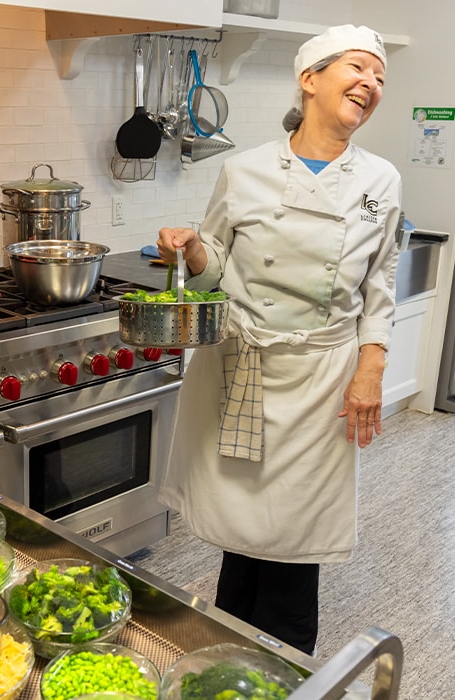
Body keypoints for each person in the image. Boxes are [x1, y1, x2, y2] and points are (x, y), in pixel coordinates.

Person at [155, 24, 402, 655]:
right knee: (243, 524)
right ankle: (225, 652)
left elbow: (380, 282)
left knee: (295, 530)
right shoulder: (244, 170)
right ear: (310, 79)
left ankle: (285, 664)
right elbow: (214, 270)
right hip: (245, 362)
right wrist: (191, 249)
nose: (371, 83)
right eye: (358, 68)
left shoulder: (380, 181)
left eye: (379, 76)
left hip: (322, 373)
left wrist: (371, 367)